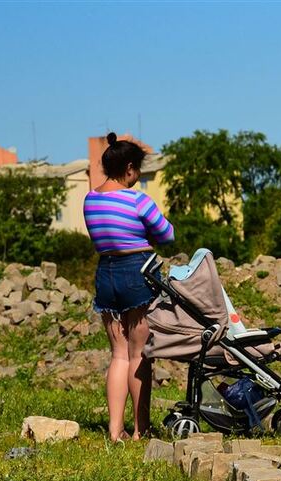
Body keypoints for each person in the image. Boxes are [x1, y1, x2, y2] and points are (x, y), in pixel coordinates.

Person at [84, 132, 174, 442]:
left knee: (118, 354)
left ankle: (113, 430)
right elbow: (167, 234)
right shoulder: (138, 200)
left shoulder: (90, 200)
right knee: (140, 354)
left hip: (105, 273)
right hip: (137, 272)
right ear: (131, 169)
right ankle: (140, 429)